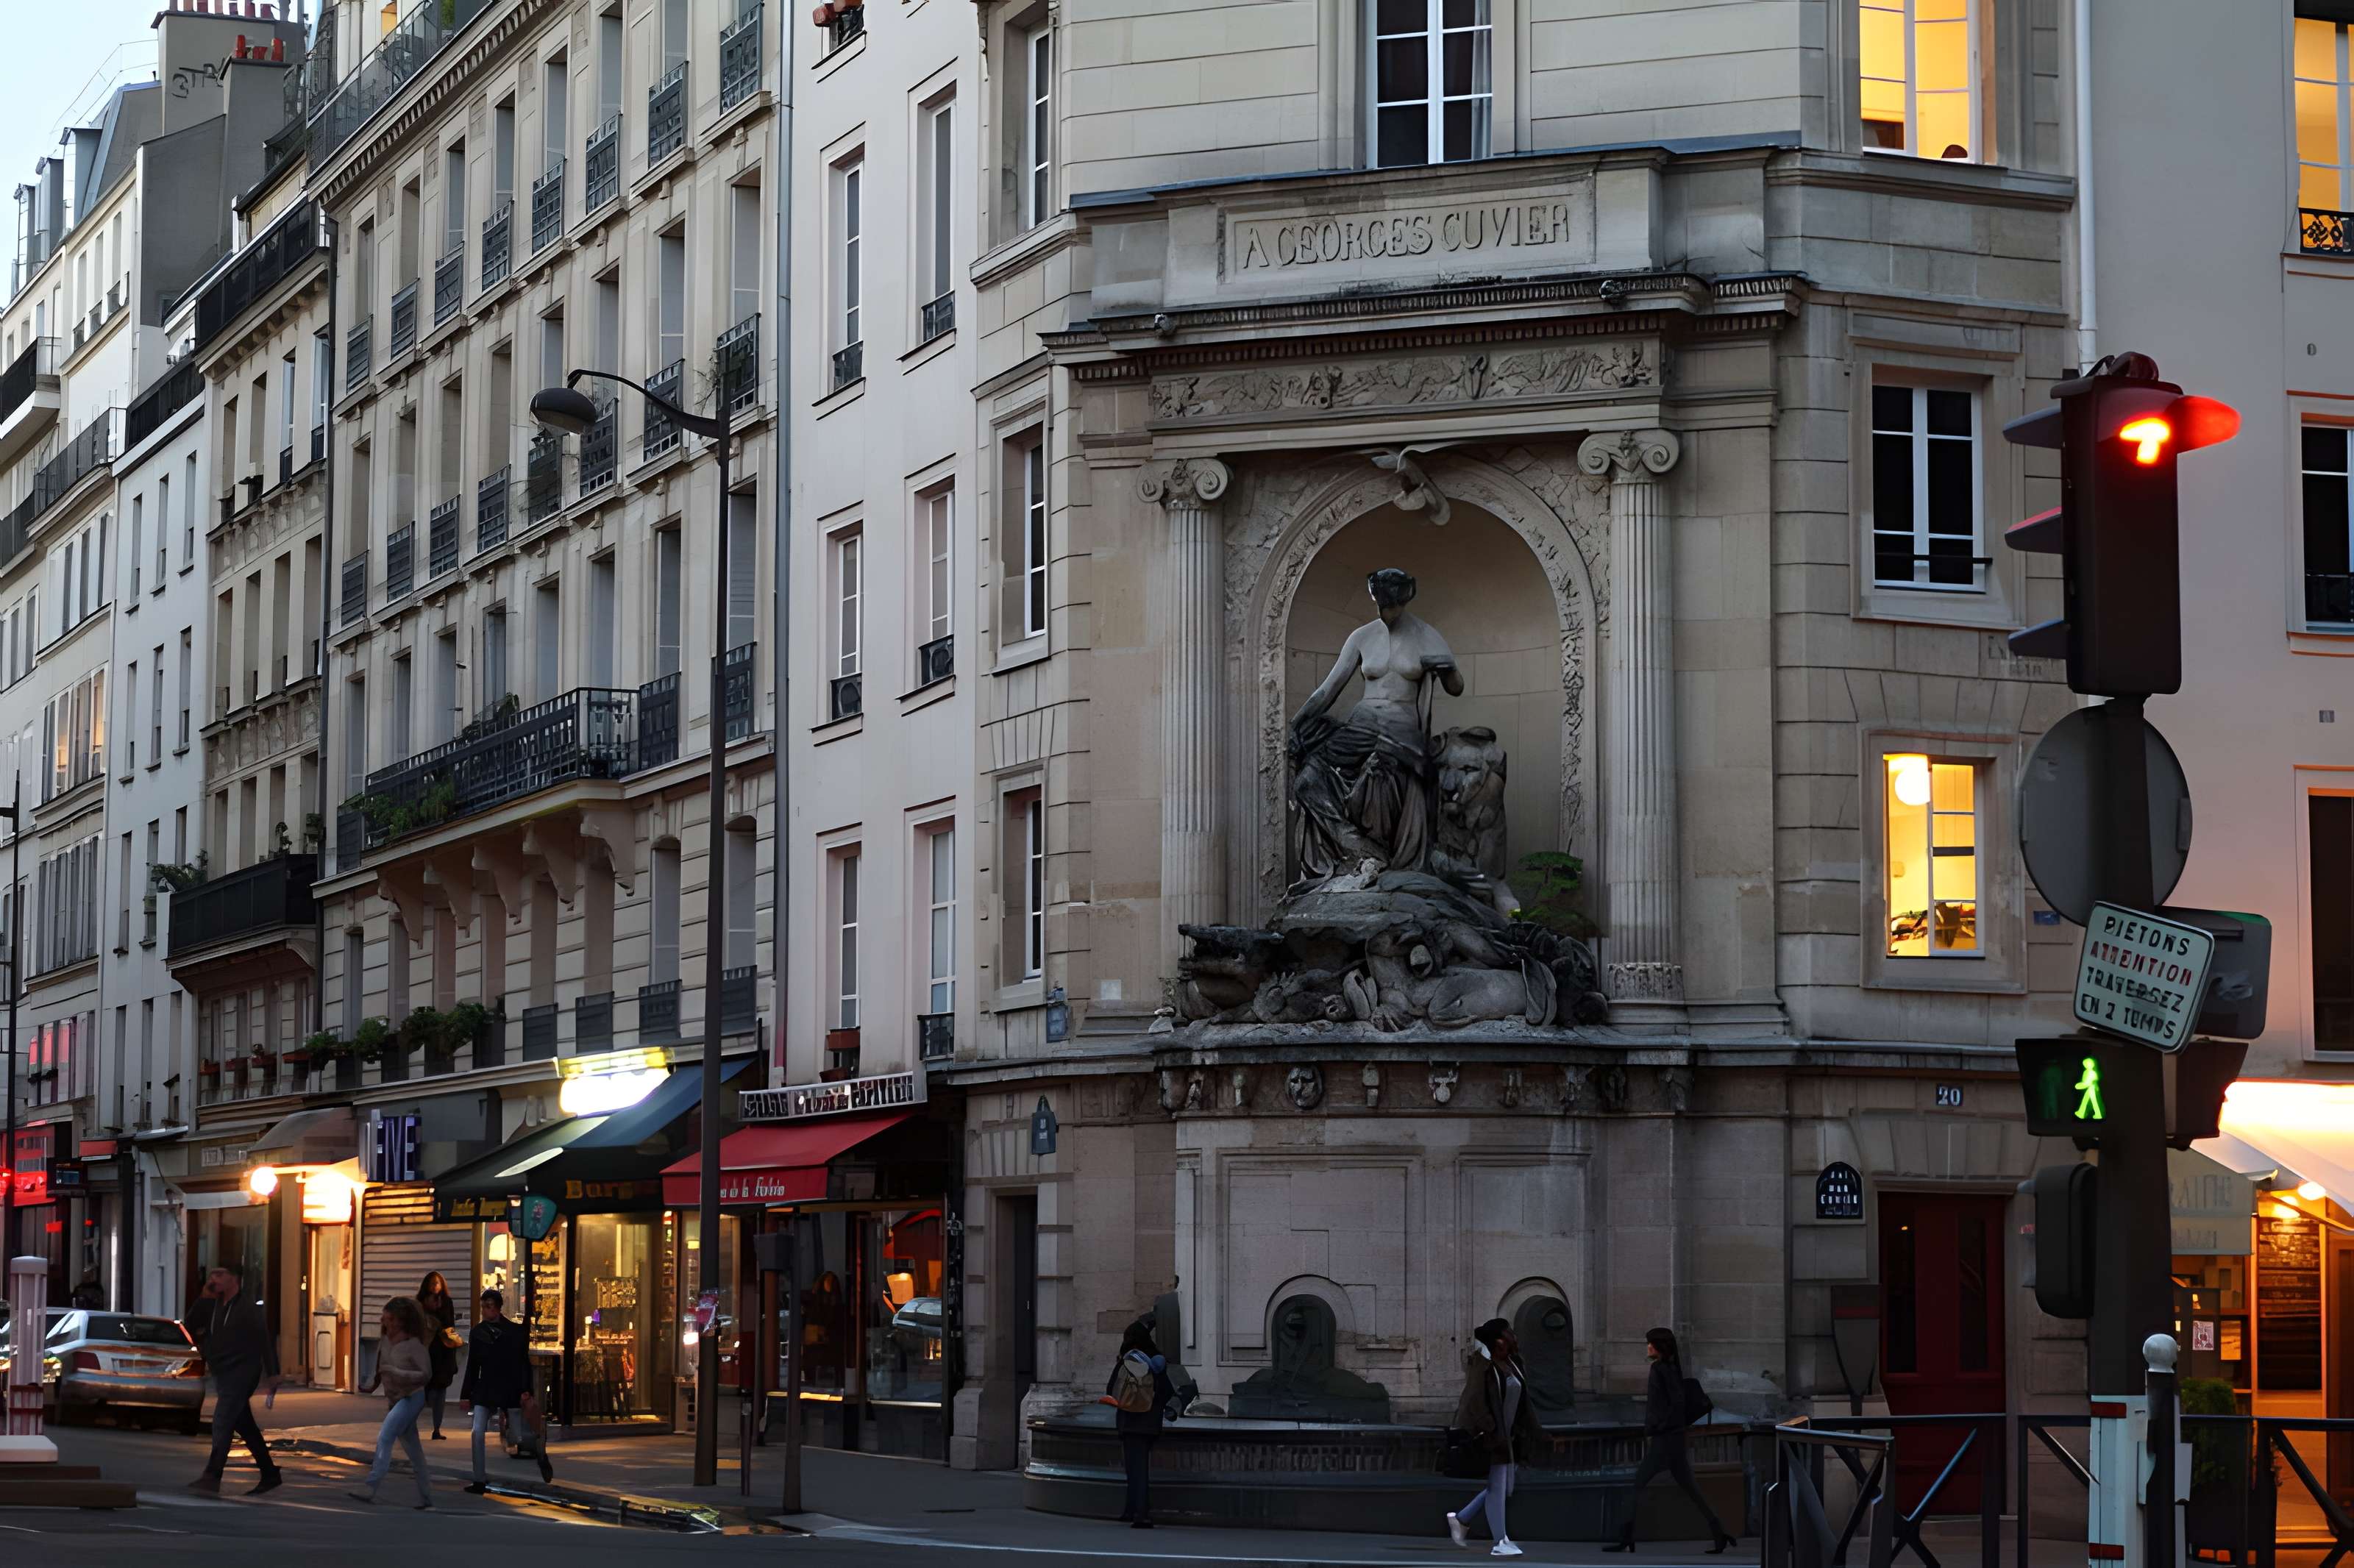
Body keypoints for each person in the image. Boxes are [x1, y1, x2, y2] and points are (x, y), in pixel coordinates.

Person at [1287, 566, 1464, 885]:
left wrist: (1447, 668)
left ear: (1404, 598)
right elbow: (1327, 691)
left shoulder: (1427, 636)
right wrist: (1295, 725)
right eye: (1381, 601)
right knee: (1307, 781)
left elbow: (1456, 686)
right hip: (1362, 724)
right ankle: (1359, 847)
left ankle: (1383, 856)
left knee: (1382, 779)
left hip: (1401, 729)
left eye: (1391, 602)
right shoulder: (1362, 636)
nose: (1385, 609)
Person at [1603, 1328, 1734, 1555]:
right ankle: (1719, 1533)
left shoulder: (1661, 1369)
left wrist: (1658, 1426)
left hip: (1666, 1439)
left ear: (1661, 1347)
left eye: (1651, 1344)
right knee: (1691, 1488)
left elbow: (1675, 1402)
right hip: (1673, 1437)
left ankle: (1625, 1537)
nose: (1648, 1347)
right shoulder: (1670, 1369)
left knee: (1636, 1485)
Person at [1445, 1318, 1544, 1558]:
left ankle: (1461, 1518)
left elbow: (1524, 1402)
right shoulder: (1484, 1365)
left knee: (1504, 1489)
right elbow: (1474, 1402)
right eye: (1509, 1332)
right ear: (1499, 1339)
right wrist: (1491, 1430)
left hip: (1509, 1436)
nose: (1514, 1335)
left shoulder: (1515, 1363)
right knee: (1498, 1488)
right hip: (1491, 1437)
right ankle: (1500, 1541)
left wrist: (1537, 1431)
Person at [186, 1261, 284, 1495]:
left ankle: (212, 1475)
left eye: (220, 1274)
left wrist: (273, 1373)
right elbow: (189, 1325)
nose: (214, 1279)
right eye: (212, 1275)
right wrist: (204, 1297)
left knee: (222, 1419)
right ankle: (270, 1473)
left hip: (243, 1371)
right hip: (222, 1372)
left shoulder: (248, 1308)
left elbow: (264, 1340)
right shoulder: (213, 1305)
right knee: (243, 1423)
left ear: (235, 1279)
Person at [461, 1288, 554, 1491]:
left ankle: (540, 1453)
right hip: (486, 1387)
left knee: (528, 1427)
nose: (485, 1311)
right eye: (483, 1307)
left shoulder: (513, 1332)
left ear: (498, 1308)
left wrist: (526, 1388)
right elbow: (472, 1365)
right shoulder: (478, 1333)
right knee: (477, 1431)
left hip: (509, 1387)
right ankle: (479, 1478)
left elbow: (522, 1363)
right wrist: (466, 1395)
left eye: (489, 1307)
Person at [349, 1297, 435, 1509]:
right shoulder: (386, 1342)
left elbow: (426, 1374)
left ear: (400, 1322)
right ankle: (427, 1498)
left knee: (385, 1436)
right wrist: (372, 1385)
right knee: (414, 1452)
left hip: (411, 1398)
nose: (384, 1321)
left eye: (389, 1319)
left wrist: (399, 1373)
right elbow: (382, 1367)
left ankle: (370, 1486)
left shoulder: (413, 1345)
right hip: (395, 1399)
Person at [1103, 1315, 1176, 1528]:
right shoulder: (1156, 1362)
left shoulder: (1128, 1361)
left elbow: (1111, 1390)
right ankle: (1131, 1509)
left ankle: (1141, 1514)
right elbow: (1167, 1391)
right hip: (1150, 1422)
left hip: (1130, 1421)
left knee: (1135, 1469)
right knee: (1139, 1467)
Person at [416, 1272, 459, 1440]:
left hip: (443, 1351)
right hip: (426, 1350)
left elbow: (450, 1326)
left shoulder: (447, 1302)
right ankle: (412, 1423)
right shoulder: (420, 1303)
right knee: (424, 1390)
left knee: (441, 1389)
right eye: (432, 1283)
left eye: (438, 1283)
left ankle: (437, 1428)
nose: (435, 1286)